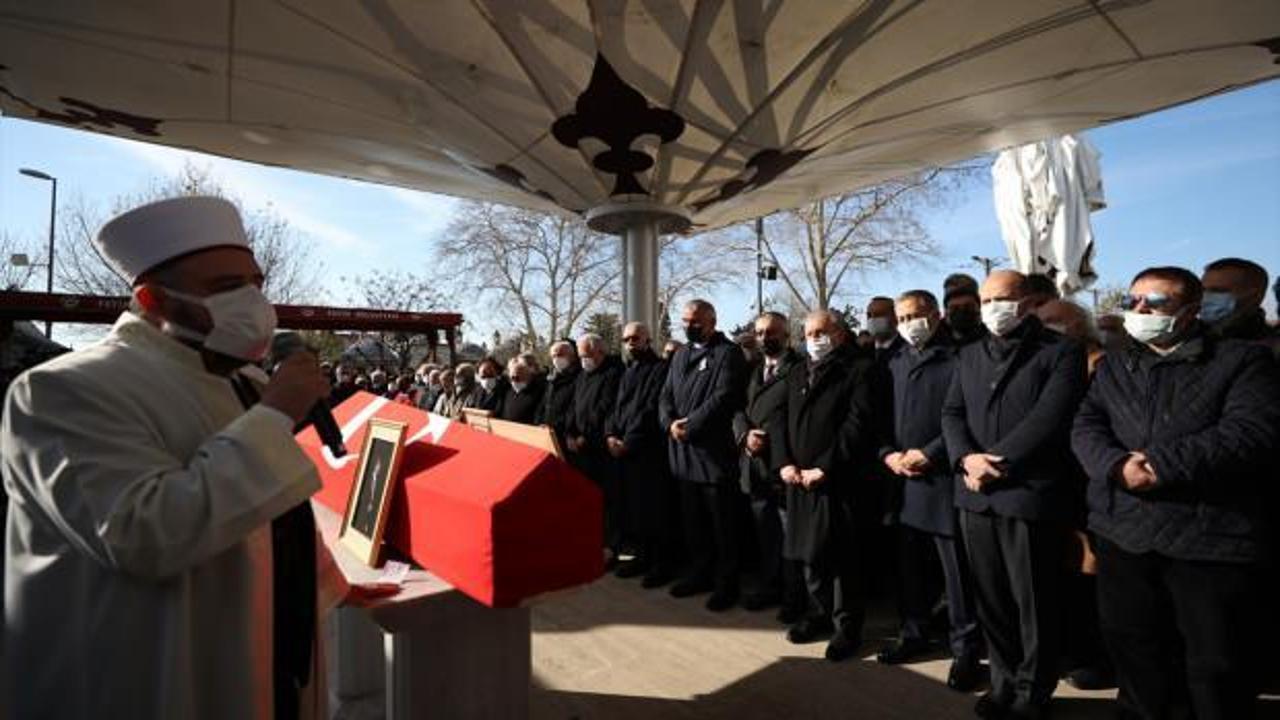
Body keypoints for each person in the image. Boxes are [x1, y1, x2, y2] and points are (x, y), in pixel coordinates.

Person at [1, 196, 352, 719]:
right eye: (226, 287)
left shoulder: (246, 382)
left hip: (267, 654)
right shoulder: (61, 390)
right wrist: (276, 414)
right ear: (153, 299)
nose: (253, 301)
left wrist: (323, 582)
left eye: (255, 283)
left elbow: (270, 515)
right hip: (144, 676)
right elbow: (143, 533)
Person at [1073, 267, 1280, 720]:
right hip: (1124, 533)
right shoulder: (1116, 365)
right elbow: (1087, 425)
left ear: (1190, 311)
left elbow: (1250, 433)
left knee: (1214, 666)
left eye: (1155, 303)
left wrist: (1162, 467)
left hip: (1207, 540)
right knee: (1134, 650)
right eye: (1132, 302)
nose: (1139, 311)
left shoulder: (1241, 361)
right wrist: (1115, 466)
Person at [941, 269, 1086, 719]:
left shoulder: (1060, 351)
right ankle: (1002, 682)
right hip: (973, 495)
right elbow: (952, 413)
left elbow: (1050, 418)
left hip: (1026, 494)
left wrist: (995, 462)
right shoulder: (968, 354)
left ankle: (1032, 691)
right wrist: (966, 459)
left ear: (1025, 302)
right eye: (984, 302)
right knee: (992, 600)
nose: (989, 310)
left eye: (997, 300)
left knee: (1033, 602)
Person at [876, 290, 983, 690]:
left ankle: (966, 650)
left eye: (914, 316)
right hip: (901, 480)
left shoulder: (960, 357)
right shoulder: (893, 360)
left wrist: (932, 453)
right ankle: (914, 633)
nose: (907, 325)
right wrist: (888, 454)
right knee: (909, 571)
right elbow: (880, 417)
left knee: (957, 576)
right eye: (900, 318)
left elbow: (965, 416)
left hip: (942, 482)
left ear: (935, 315)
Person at [769, 309, 874, 661]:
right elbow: (779, 420)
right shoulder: (797, 370)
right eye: (809, 333)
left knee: (843, 558)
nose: (814, 338)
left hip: (837, 482)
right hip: (798, 480)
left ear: (840, 335)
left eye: (821, 332)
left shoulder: (859, 370)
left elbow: (856, 425)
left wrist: (826, 467)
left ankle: (847, 626)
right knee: (809, 555)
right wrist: (783, 461)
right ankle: (818, 613)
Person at [1035, 297, 1115, 690]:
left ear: (1080, 325)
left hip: (1092, 487)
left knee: (1092, 576)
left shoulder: (1101, 365)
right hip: (1053, 488)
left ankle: (1099, 657)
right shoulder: (1043, 364)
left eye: (1055, 321)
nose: (1047, 327)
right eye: (1041, 322)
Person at [659, 299, 748, 612]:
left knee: (722, 525)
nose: (689, 326)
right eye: (685, 320)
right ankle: (700, 573)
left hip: (713, 455)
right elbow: (666, 394)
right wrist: (669, 422)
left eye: (695, 321)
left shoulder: (728, 353)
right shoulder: (681, 353)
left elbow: (724, 397)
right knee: (694, 523)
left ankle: (727, 584)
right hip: (682, 453)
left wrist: (691, 425)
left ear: (711, 320)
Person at [731, 312, 806, 622]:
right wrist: (744, 435)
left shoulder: (799, 368)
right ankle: (770, 586)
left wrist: (771, 443)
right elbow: (738, 409)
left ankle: (795, 597)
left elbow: (797, 418)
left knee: (791, 537)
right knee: (766, 535)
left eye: (772, 333)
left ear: (787, 335)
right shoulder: (753, 369)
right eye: (760, 333)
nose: (764, 338)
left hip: (783, 466)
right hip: (754, 468)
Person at [605, 322, 678, 585]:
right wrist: (611, 434)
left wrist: (629, 441)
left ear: (648, 340)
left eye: (635, 339)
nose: (630, 344)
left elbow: (650, 410)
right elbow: (616, 407)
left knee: (654, 510)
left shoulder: (660, 369)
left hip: (647, 451)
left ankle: (662, 564)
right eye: (626, 339)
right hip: (623, 450)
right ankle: (641, 556)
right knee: (634, 509)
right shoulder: (628, 371)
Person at [566, 334, 625, 563]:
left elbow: (604, 409)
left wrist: (585, 437)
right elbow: (573, 406)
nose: (583, 360)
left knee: (608, 501)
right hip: (580, 449)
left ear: (600, 352)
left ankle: (610, 547)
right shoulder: (583, 374)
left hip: (600, 448)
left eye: (586, 355)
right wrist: (570, 433)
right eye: (580, 356)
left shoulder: (614, 373)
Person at [1201, 257, 1280, 358]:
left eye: (1218, 291)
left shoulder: (1269, 351)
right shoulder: (1190, 339)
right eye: (1202, 290)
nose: (1204, 297)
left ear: (1254, 296)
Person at [539, 340, 581, 451]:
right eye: (553, 356)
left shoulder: (580, 377)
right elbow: (544, 403)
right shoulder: (552, 378)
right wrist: (540, 423)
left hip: (568, 438)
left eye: (560, 355)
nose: (556, 359)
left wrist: (565, 430)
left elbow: (575, 408)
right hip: (548, 434)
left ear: (572, 356)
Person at [496, 355, 545, 424]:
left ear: (529, 376)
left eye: (517, 378)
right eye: (512, 378)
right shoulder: (506, 391)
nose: (514, 381)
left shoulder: (540, 392)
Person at [944, 273, 986, 345]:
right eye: (955, 308)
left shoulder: (994, 341)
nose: (961, 312)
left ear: (979, 307)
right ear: (946, 310)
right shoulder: (935, 342)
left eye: (968, 307)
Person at [865, 296, 902, 362]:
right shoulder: (862, 351)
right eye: (869, 315)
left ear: (895, 317)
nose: (872, 319)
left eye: (878, 314)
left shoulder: (907, 349)